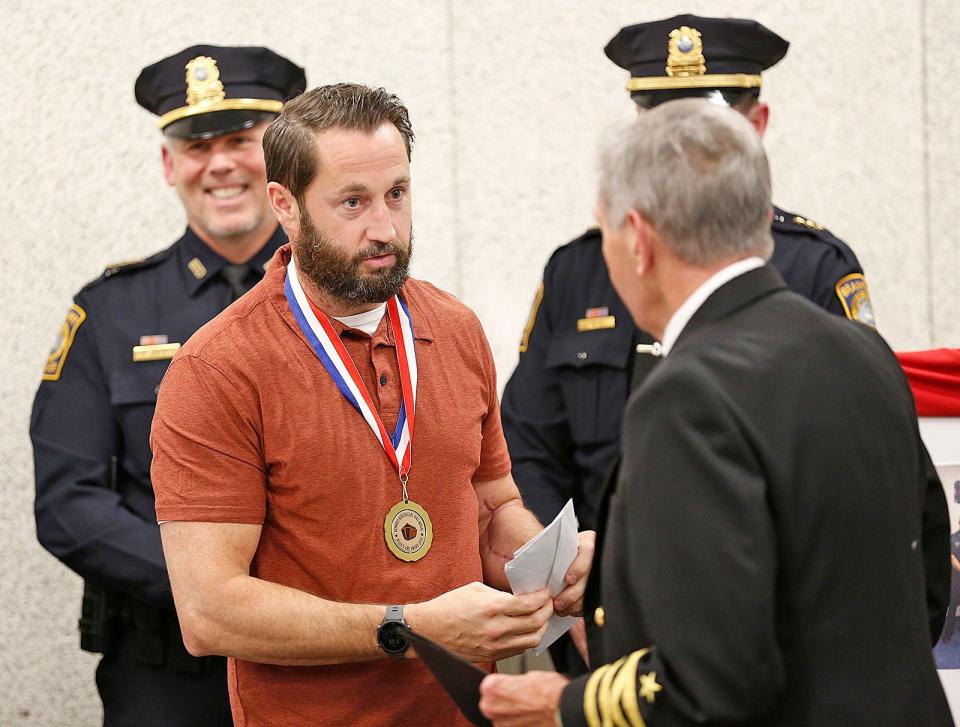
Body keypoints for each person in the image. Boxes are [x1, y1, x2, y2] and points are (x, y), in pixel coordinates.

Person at [479, 98, 951, 726]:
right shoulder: (861, 352)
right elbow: (921, 585)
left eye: (605, 230)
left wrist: (566, 703)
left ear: (639, 241)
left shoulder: (688, 395)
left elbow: (713, 680)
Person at [148, 82, 595, 726]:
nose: (384, 227)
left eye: (397, 193)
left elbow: (493, 504)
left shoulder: (455, 327)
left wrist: (545, 569)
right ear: (286, 205)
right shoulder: (217, 368)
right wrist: (406, 627)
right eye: (352, 201)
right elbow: (209, 612)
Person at [501, 14, 877, 674]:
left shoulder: (814, 267)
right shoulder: (582, 266)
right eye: (657, 129)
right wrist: (568, 593)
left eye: (705, 132)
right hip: (593, 635)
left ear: (755, 130)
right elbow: (528, 444)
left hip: (748, 644)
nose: (676, 154)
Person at [30, 44, 306, 726]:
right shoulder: (109, 311)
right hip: (168, 675)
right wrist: (217, 588)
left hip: (326, 659)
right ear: (168, 164)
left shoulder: (341, 298)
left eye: (241, 140)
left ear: (281, 156)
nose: (218, 163)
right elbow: (69, 501)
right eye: (194, 144)